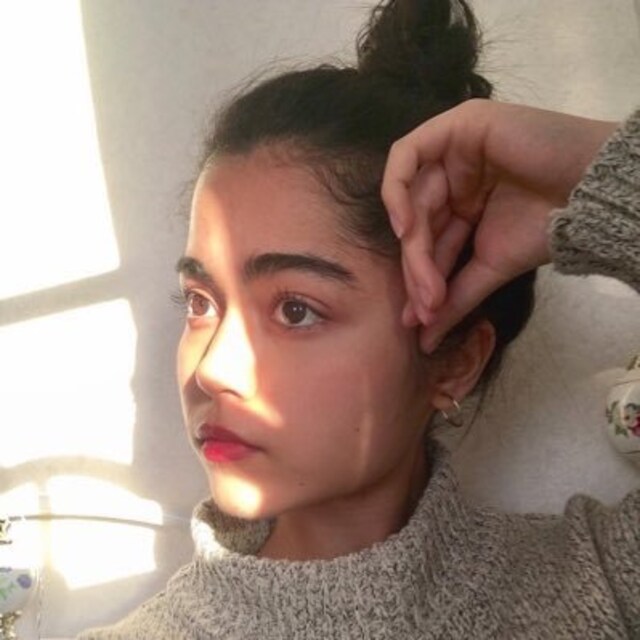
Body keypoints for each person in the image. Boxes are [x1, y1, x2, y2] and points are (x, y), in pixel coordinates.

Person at [79, 0, 639, 638]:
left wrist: (590, 168)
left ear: (456, 364)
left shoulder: (600, 586)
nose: (211, 370)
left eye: (295, 310)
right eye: (201, 302)